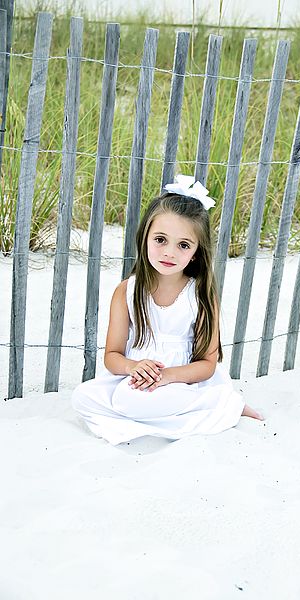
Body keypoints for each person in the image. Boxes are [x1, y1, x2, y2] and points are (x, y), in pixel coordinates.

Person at [72, 175, 264, 445]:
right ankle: (193, 411)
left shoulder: (200, 294)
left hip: (183, 381)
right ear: (145, 238)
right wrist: (134, 366)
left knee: (135, 402)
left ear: (196, 252)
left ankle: (220, 403)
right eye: (160, 239)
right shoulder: (126, 292)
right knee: (82, 397)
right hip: (136, 379)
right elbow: (112, 357)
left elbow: (208, 365)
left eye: (183, 245)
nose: (169, 253)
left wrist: (166, 377)